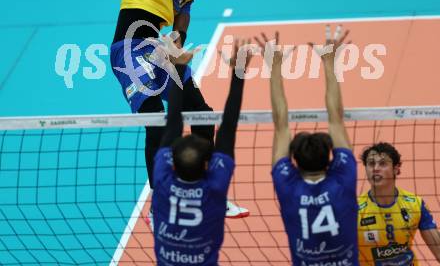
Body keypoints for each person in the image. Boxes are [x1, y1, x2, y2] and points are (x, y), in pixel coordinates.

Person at [110, 0, 248, 225]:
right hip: (130, 49)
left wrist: (178, 40)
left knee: (202, 116)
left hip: (161, 50)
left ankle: (209, 190)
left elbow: (182, 17)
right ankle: (160, 200)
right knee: (156, 120)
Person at [256, 26, 359, 266]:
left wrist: (275, 69)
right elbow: (336, 117)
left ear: (294, 161)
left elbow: (281, 125)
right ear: (331, 159)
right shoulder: (343, 178)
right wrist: (330, 63)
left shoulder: (287, 185)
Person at [152, 39, 253, 265]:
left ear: (173, 165)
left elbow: (175, 124)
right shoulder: (214, 188)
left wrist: (176, 67)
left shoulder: (162, 180)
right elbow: (227, 127)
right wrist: (238, 74)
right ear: (207, 166)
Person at [358, 142, 440, 264]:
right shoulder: (354, 209)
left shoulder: (415, 204)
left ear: (396, 169)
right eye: (371, 164)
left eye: (382, 163)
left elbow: (438, 249)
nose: (375, 168)